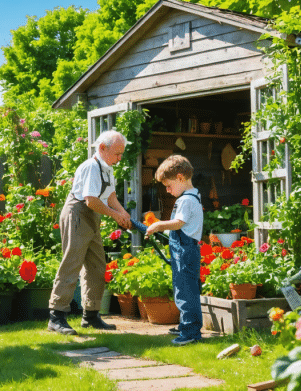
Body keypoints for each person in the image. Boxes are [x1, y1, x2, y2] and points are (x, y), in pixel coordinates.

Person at [47, 130, 132, 335]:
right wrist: (114, 216)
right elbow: (91, 200)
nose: (120, 158)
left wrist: (123, 213)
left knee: (96, 265)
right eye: (117, 153)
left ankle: (91, 316)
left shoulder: (107, 168)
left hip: (92, 216)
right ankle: (56, 316)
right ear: (102, 148)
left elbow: (110, 196)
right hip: (77, 213)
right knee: (72, 261)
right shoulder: (91, 167)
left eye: (122, 153)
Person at [146, 155, 203, 344]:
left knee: (186, 292)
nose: (168, 190)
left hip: (185, 251)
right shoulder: (192, 196)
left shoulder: (186, 200)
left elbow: (179, 223)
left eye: (169, 185)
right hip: (185, 250)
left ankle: (190, 333)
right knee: (183, 290)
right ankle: (185, 325)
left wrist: (158, 225)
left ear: (180, 178)